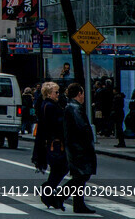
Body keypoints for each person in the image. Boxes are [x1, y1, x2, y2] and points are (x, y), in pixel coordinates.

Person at [62, 82, 97, 214]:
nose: (83, 97)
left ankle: (78, 204)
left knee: (80, 176)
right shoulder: (74, 108)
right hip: (79, 149)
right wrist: (88, 143)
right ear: (79, 94)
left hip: (75, 147)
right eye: (82, 93)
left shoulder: (71, 107)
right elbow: (82, 128)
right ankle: (58, 197)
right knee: (82, 175)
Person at [32, 82, 67, 210]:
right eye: (56, 92)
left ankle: (48, 191)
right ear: (48, 94)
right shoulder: (50, 106)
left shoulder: (45, 105)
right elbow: (56, 125)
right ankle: (47, 191)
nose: (58, 95)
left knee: (58, 169)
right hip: (55, 143)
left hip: (51, 143)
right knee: (61, 167)